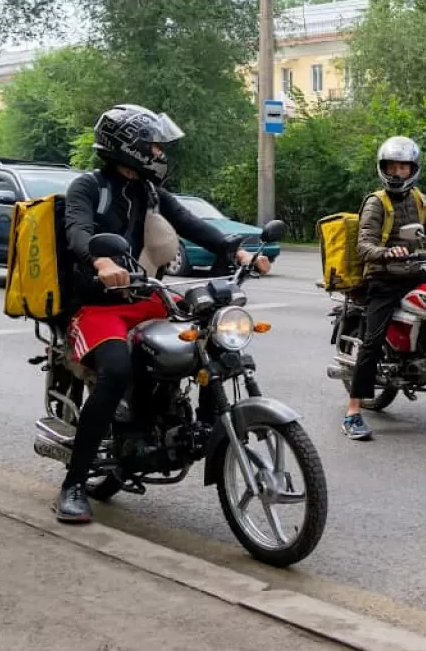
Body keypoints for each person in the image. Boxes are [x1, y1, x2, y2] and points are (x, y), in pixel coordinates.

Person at [55, 103, 270, 523]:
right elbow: (78, 231)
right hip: (99, 304)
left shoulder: (149, 191)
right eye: (153, 146)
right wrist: (101, 262)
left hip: (144, 296)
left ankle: (207, 425)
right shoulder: (87, 187)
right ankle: (74, 484)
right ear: (129, 147)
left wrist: (236, 249)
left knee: (213, 332)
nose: (159, 153)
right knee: (116, 371)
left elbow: (191, 224)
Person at [344, 135, 426, 440]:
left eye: (403, 166)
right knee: (371, 342)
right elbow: (363, 246)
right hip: (384, 277)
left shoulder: (421, 201)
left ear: (413, 168)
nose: (397, 172)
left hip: (413, 272)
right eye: (392, 166)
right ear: (383, 168)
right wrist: (386, 252)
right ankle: (353, 413)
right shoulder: (377, 203)